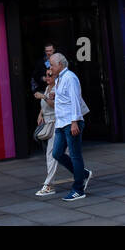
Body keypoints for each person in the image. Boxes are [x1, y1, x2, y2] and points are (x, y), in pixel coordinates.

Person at [48, 52, 92, 202]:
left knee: (75, 155)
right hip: (61, 123)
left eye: (52, 65)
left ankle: (78, 189)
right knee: (56, 153)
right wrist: (55, 94)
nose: (50, 68)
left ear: (60, 65)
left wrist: (74, 122)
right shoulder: (60, 78)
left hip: (71, 122)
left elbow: (75, 100)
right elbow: (65, 97)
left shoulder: (70, 78)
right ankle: (83, 174)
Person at [33, 68, 60, 197]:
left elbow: (55, 105)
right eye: (46, 75)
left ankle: (49, 185)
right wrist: (40, 114)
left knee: (52, 155)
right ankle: (83, 174)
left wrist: (43, 96)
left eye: (50, 75)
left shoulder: (57, 88)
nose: (47, 77)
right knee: (65, 155)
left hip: (56, 124)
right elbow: (45, 105)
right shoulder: (48, 87)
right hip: (49, 122)